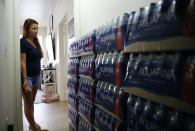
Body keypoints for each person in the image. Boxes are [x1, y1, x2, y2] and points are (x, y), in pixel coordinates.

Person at [21, 19, 47, 131]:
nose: (36, 31)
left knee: (31, 102)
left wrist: (38, 46)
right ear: (27, 29)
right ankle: (35, 128)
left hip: (37, 76)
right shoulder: (23, 42)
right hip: (28, 77)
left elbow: (40, 56)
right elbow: (22, 62)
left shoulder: (35, 42)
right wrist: (25, 80)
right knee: (28, 103)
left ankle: (32, 125)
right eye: (33, 28)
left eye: (37, 28)